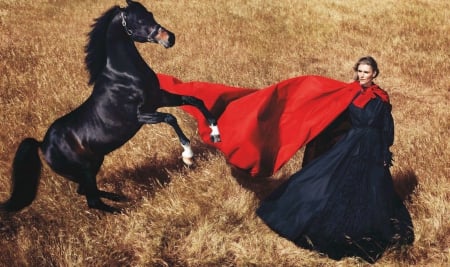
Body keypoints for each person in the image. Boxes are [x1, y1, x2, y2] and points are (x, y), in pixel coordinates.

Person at [256, 56, 414, 263]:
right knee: (341, 184)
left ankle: (366, 229)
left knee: (372, 188)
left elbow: (386, 127)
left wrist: (385, 151)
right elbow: (330, 113)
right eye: (360, 71)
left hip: (374, 148)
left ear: (374, 73)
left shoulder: (382, 97)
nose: (362, 75)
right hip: (352, 145)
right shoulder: (349, 92)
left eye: (366, 72)